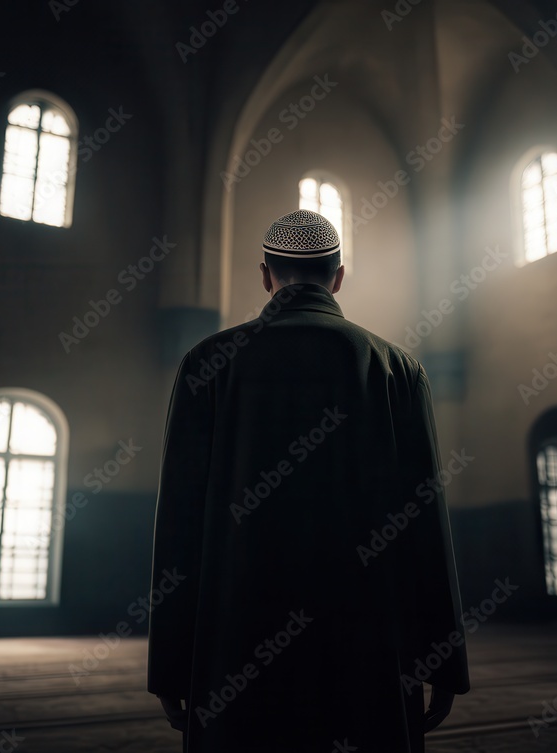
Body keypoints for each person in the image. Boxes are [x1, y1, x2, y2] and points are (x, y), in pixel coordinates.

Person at [147, 209, 470, 752]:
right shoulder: (397, 369)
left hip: (235, 649)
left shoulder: (207, 364)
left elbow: (179, 527)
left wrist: (170, 665)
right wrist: (444, 659)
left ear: (264, 275)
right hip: (368, 647)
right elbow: (425, 529)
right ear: (338, 277)